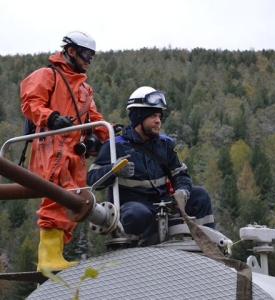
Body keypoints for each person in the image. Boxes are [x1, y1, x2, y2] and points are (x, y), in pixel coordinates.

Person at [20, 31, 113, 271]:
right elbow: (30, 104)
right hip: (51, 145)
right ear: (71, 51)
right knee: (55, 197)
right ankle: (48, 258)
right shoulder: (47, 75)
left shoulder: (83, 89)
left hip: (75, 152)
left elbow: (94, 118)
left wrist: (112, 134)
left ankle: (56, 254)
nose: (90, 59)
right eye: (86, 53)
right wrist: (51, 118)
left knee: (75, 202)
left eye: (93, 55)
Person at [87, 86, 215, 242]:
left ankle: (207, 245)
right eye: (153, 116)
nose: (158, 121)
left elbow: (180, 175)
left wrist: (182, 192)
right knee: (139, 214)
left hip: (164, 204)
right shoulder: (115, 145)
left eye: (160, 116)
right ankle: (134, 250)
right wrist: (114, 170)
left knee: (200, 196)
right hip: (132, 207)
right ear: (138, 117)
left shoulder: (166, 144)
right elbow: (92, 179)